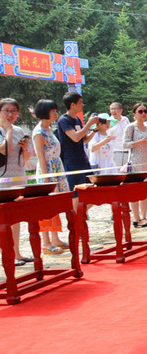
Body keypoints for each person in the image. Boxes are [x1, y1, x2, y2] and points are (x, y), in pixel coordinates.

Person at [32, 99, 70, 255]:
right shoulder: (39, 132)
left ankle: (55, 238)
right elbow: (41, 156)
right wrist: (46, 178)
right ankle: (46, 242)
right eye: (53, 111)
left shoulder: (49, 130)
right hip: (47, 169)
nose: (55, 113)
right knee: (46, 207)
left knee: (55, 206)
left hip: (57, 167)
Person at [0, 98, 35, 265]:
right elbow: (3, 149)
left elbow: (26, 158)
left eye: (14, 111)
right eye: (6, 110)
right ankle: (6, 254)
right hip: (2, 181)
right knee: (3, 220)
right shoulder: (4, 130)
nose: (10, 114)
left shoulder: (20, 130)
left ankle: (16, 253)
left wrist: (24, 148)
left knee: (16, 218)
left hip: (18, 177)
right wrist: (7, 130)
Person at [57, 91, 99, 192]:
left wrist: (95, 130)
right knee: (76, 192)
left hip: (82, 159)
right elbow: (75, 137)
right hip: (71, 161)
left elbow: (85, 139)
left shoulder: (77, 120)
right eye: (80, 102)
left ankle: (81, 208)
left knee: (90, 189)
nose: (82, 105)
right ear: (73, 104)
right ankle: (74, 208)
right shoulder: (63, 120)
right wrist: (88, 124)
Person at [123, 103, 147, 228]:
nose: (143, 114)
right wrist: (140, 142)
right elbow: (125, 144)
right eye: (140, 111)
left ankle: (144, 217)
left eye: (145, 111)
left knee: (145, 191)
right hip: (136, 160)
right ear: (134, 114)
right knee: (135, 191)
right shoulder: (131, 127)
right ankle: (136, 218)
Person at [108, 101, 131, 169]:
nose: (113, 111)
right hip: (116, 152)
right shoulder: (109, 121)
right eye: (111, 109)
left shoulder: (125, 119)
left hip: (127, 151)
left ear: (121, 110)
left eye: (115, 109)